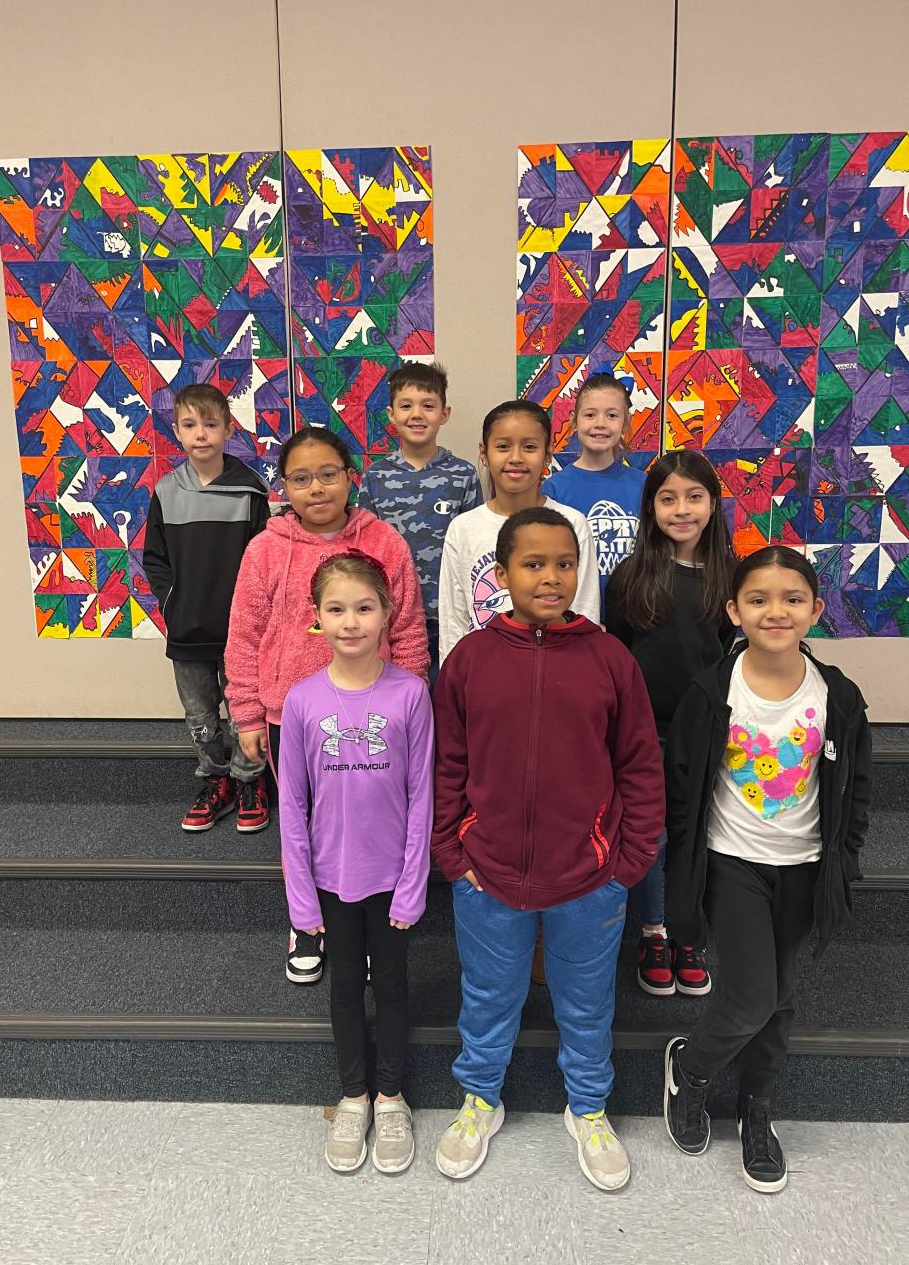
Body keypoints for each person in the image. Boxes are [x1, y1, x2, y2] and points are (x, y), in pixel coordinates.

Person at [432, 507, 664, 1189]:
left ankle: (588, 1108)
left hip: (589, 878)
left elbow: (641, 767)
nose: (551, 577)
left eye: (564, 563)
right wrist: (456, 854)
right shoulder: (470, 659)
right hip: (488, 872)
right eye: (534, 564)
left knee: (587, 1002)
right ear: (501, 575)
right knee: (488, 995)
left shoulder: (608, 658)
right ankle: (479, 1099)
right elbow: (447, 764)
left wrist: (625, 864)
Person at [662, 546, 871, 1194]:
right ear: (733, 610)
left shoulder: (836, 695)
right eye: (757, 599)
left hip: (803, 869)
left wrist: (846, 853)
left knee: (779, 1001)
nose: (774, 611)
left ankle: (758, 1110)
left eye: (790, 599)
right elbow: (682, 787)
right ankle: (691, 1076)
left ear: (815, 609)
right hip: (733, 866)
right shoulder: (710, 692)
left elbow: (855, 785)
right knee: (751, 993)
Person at [225, 426, 429, 985]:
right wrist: (245, 713)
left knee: (366, 821)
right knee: (302, 820)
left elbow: (408, 628)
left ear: (350, 477)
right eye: (300, 478)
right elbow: (243, 634)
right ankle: (307, 922)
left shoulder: (384, 542)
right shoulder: (265, 549)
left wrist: (408, 706)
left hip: (377, 718)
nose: (316, 488)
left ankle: (365, 921)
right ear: (284, 487)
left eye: (328, 474)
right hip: (290, 716)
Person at [279, 553, 433, 1174]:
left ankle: (390, 1098)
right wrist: (300, 898)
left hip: (391, 879)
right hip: (328, 881)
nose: (350, 622)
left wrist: (413, 884)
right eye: (336, 609)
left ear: (387, 613)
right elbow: (291, 803)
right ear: (316, 618)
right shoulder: (301, 700)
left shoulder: (411, 694)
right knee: (345, 989)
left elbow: (424, 793)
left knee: (391, 988)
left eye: (363, 608)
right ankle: (353, 1097)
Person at [605, 451, 735, 999]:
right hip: (647, 733)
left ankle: (689, 934)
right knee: (653, 836)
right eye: (668, 498)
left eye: (694, 497)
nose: (681, 510)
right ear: (650, 506)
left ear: (713, 503)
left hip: (710, 734)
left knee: (698, 832)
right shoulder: (632, 577)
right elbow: (615, 660)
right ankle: (654, 931)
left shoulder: (734, 578)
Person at [143, 383, 270, 834]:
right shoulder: (165, 491)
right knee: (200, 715)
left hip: (242, 631)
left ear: (228, 430)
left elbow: (263, 560)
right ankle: (214, 780)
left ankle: (249, 780)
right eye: (190, 425)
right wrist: (172, 602)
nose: (202, 434)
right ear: (176, 432)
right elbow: (155, 559)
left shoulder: (250, 490)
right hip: (188, 631)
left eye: (211, 424)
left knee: (244, 711)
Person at [437, 399, 600, 663]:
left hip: (560, 670)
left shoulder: (571, 523)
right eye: (503, 446)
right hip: (485, 674)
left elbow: (584, 611)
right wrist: (453, 680)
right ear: (484, 452)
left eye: (529, 447)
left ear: (547, 454)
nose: (515, 458)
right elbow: (453, 621)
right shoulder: (463, 528)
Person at [358, 362, 481, 684]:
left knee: (446, 704)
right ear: (391, 414)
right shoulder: (375, 477)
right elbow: (362, 551)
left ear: (445, 413)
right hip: (390, 619)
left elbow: (474, 547)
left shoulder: (463, 475)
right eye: (406, 406)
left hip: (448, 617)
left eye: (428, 406)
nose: (417, 414)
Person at [542, 367, 646, 606]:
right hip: (575, 612)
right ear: (574, 422)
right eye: (590, 415)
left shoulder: (643, 485)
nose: (600, 424)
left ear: (625, 423)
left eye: (612, 415)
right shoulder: (554, 489)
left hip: (632, 612)